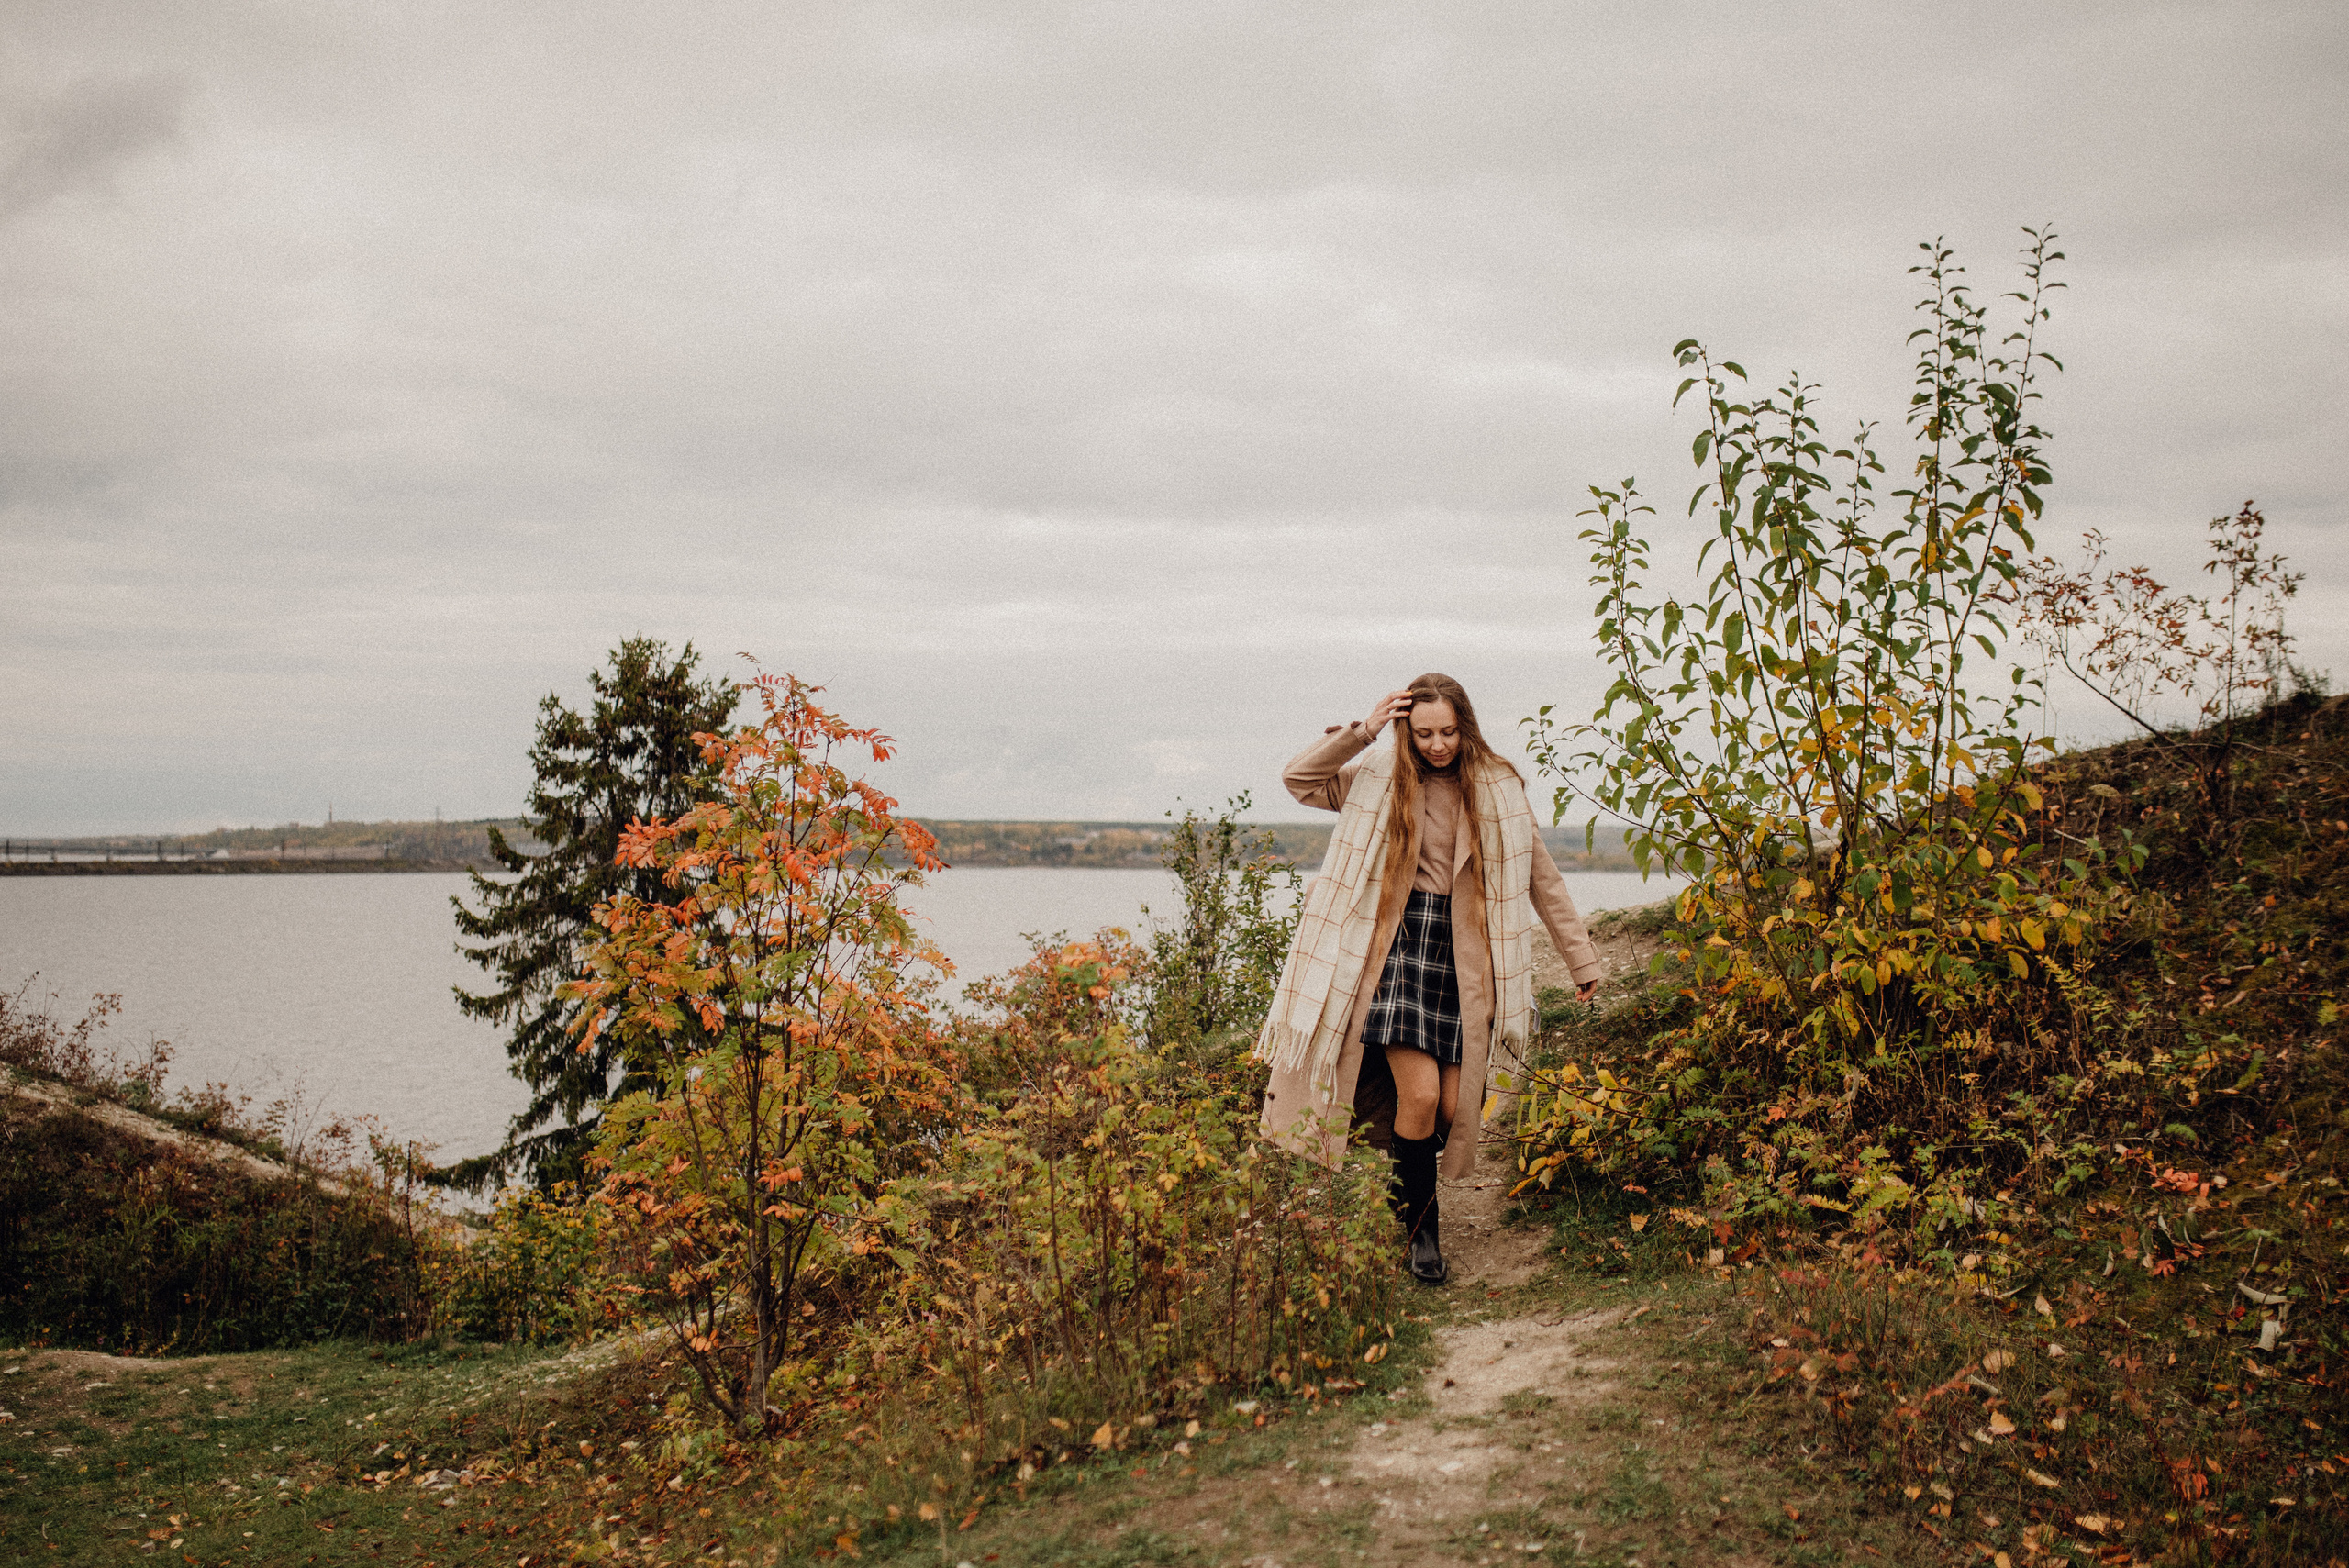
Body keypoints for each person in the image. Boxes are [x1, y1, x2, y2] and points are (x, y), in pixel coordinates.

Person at [1254, 674, 1604, 1284]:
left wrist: (1583, 961)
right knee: (1416, 1098)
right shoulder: (1378, 777)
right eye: (1423, 733)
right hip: (1395, 951)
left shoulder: (1499, 788)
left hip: (1465, 958)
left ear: (1464, 725)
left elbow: (1542, 880)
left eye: (1447, 731)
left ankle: (1402, 1194)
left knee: (1448, 1107)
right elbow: (1300, 780)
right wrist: (1361, 733)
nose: (1438, 744)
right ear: (1404, 730)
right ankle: (1422, 1238)